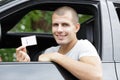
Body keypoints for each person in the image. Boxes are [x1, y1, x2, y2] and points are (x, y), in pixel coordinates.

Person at [16, 6, 102, 80]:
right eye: (55, 25)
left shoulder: (83, 45)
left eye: (65, 25)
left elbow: (96, 75)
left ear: (76, 27)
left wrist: (56, 56)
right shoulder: (50, 51)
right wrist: (25, 64)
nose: (59, 30)